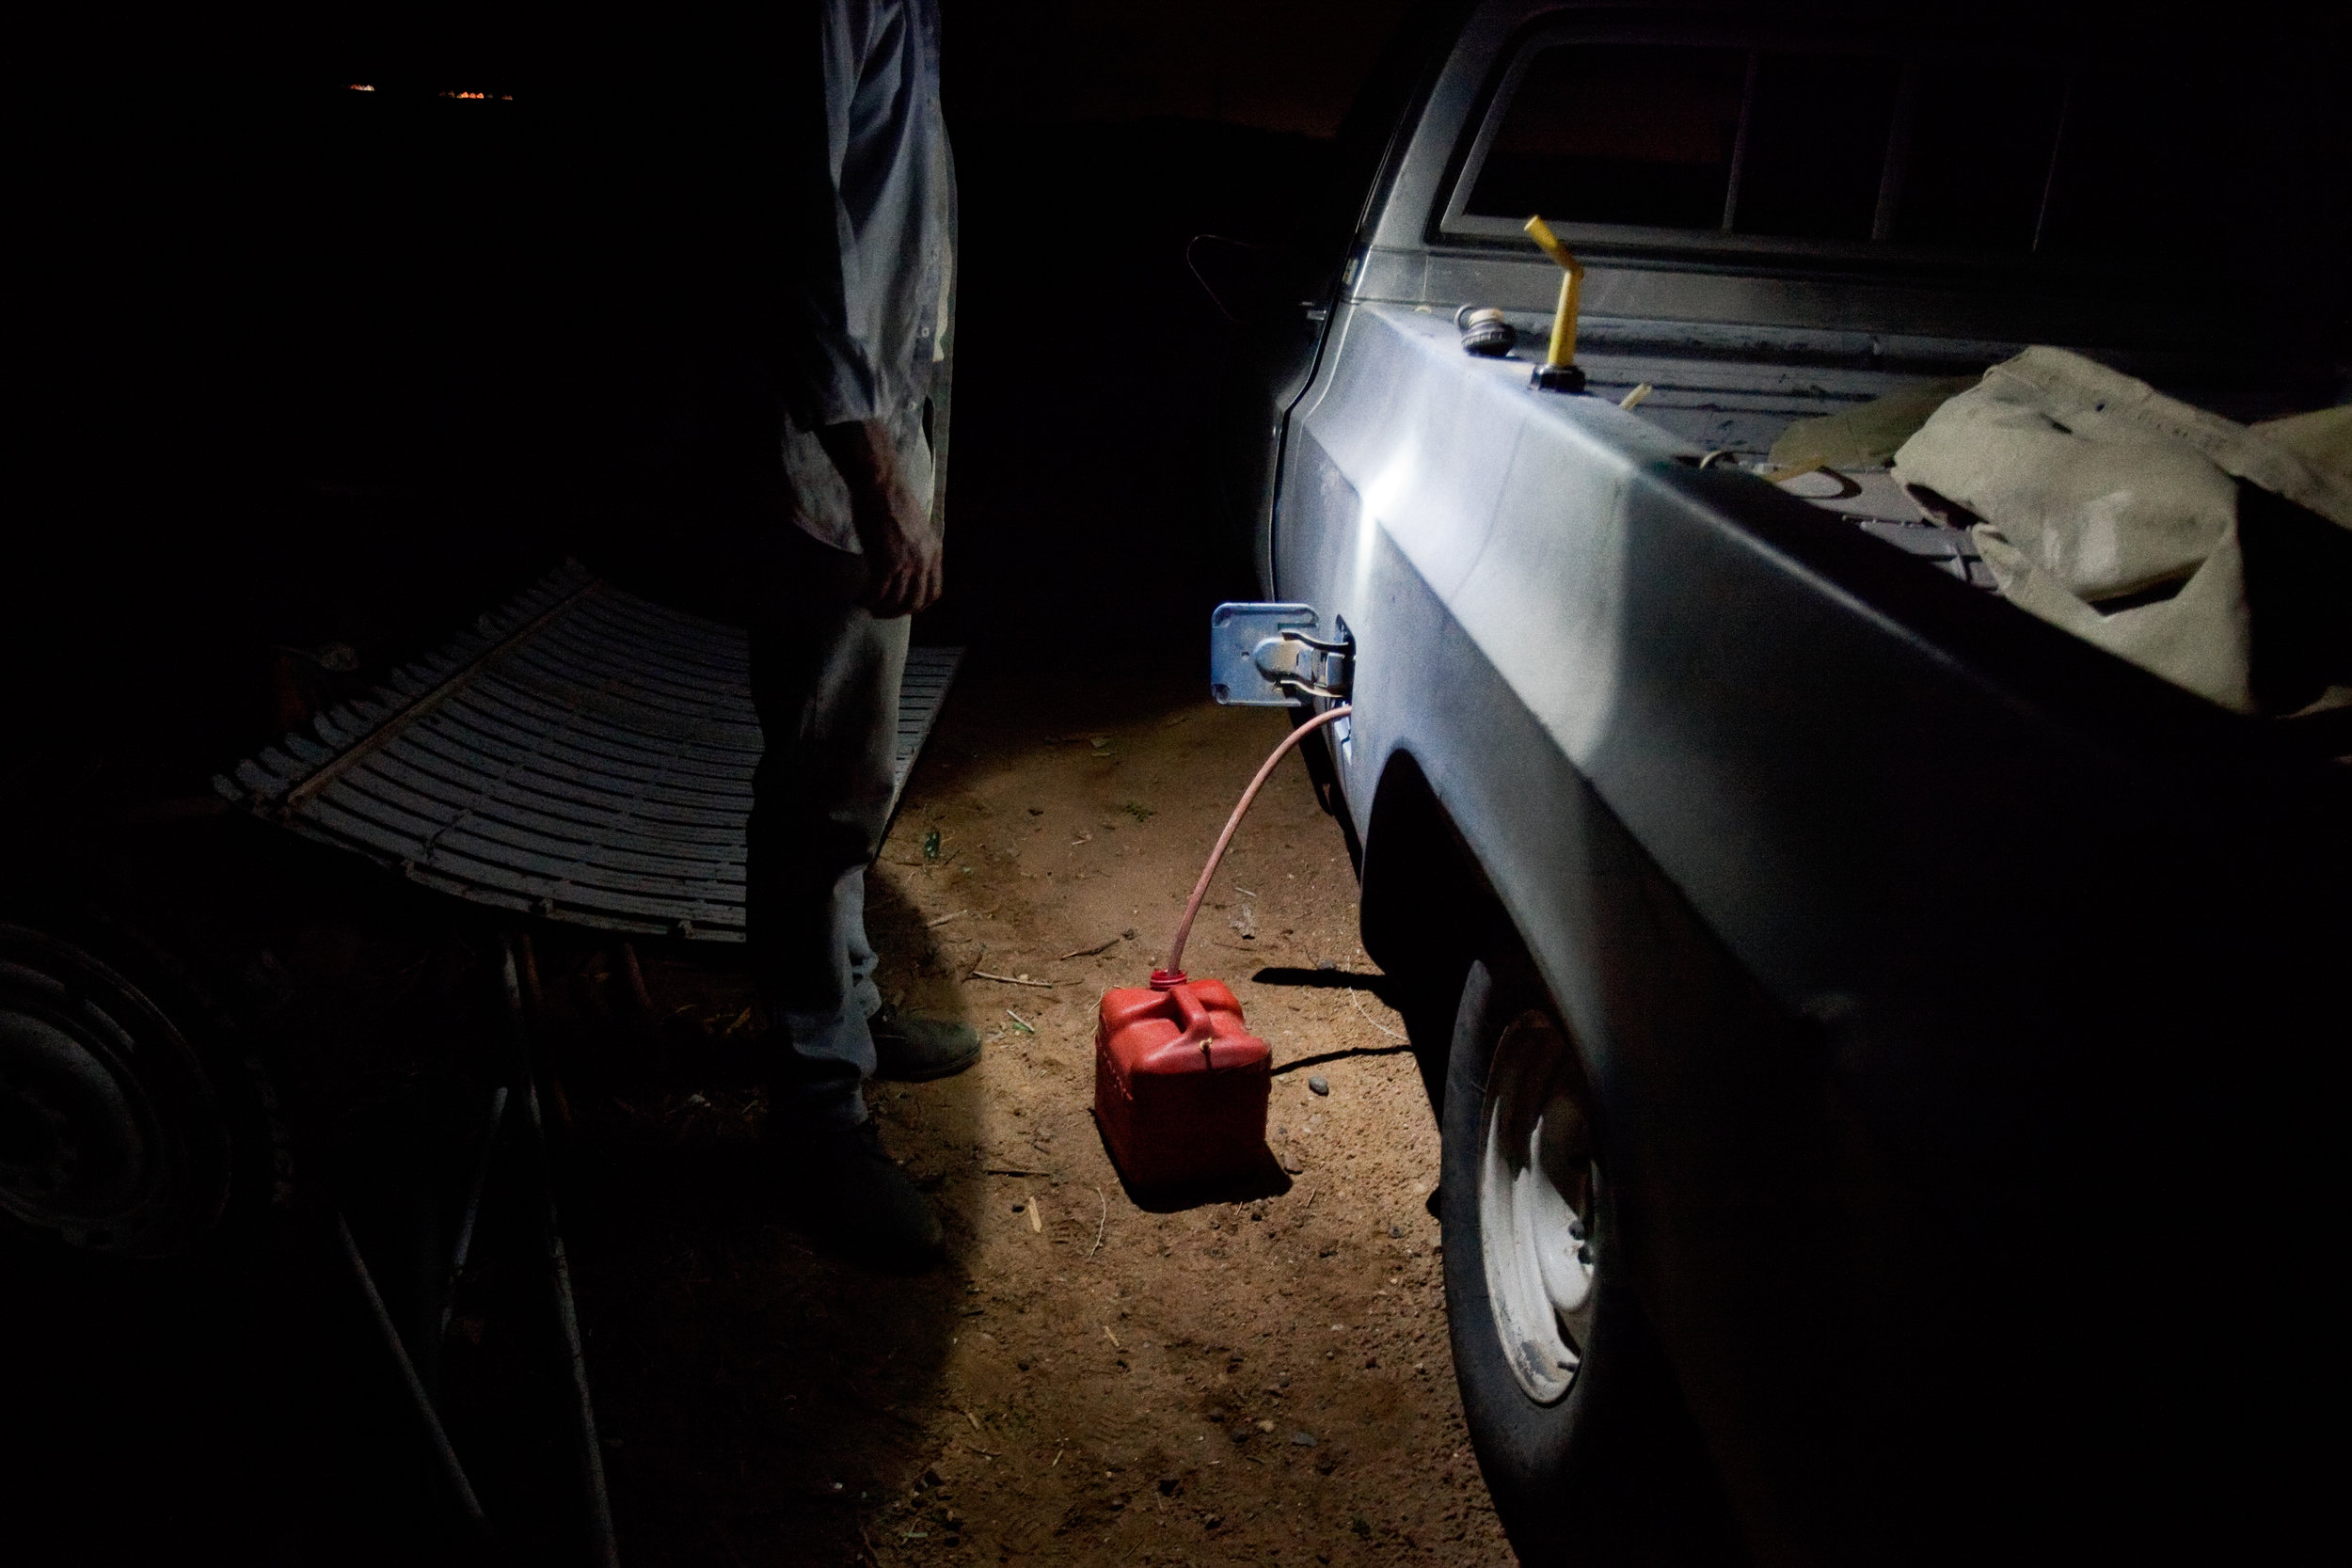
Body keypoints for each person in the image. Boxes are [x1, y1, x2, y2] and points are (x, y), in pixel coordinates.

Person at [742, 0, 977, 1269]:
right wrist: (882, 483)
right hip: (832, 446)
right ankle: (815, 1108)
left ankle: (845, 1005)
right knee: (820, 781)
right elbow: (808, 233)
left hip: (879, 419)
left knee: (849, 770)